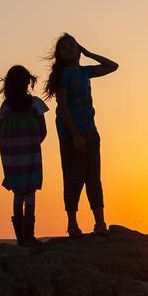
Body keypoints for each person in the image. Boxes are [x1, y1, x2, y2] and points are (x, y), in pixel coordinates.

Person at [45, 33, 118, 237]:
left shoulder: (85, 72)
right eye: (64, 47)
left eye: (72, 45)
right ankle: (72, 223)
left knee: (93, 177)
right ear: (59, 54)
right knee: (72, 177)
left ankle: (100, 222)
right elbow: (63, 107)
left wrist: (89, 53)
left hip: (90, 131)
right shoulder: (62, 76)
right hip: (71, 134)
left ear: (78, 50)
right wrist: (75, 135)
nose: (69, 48)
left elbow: (113, 66)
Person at [0, 65, 49, 246]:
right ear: (28, 82)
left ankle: (20, 238)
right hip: (31, 154)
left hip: (12, 159)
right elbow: (44, 131)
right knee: (30, 193)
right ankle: (29, 236)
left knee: (18, 194)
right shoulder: (35, 104)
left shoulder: (6, 107)